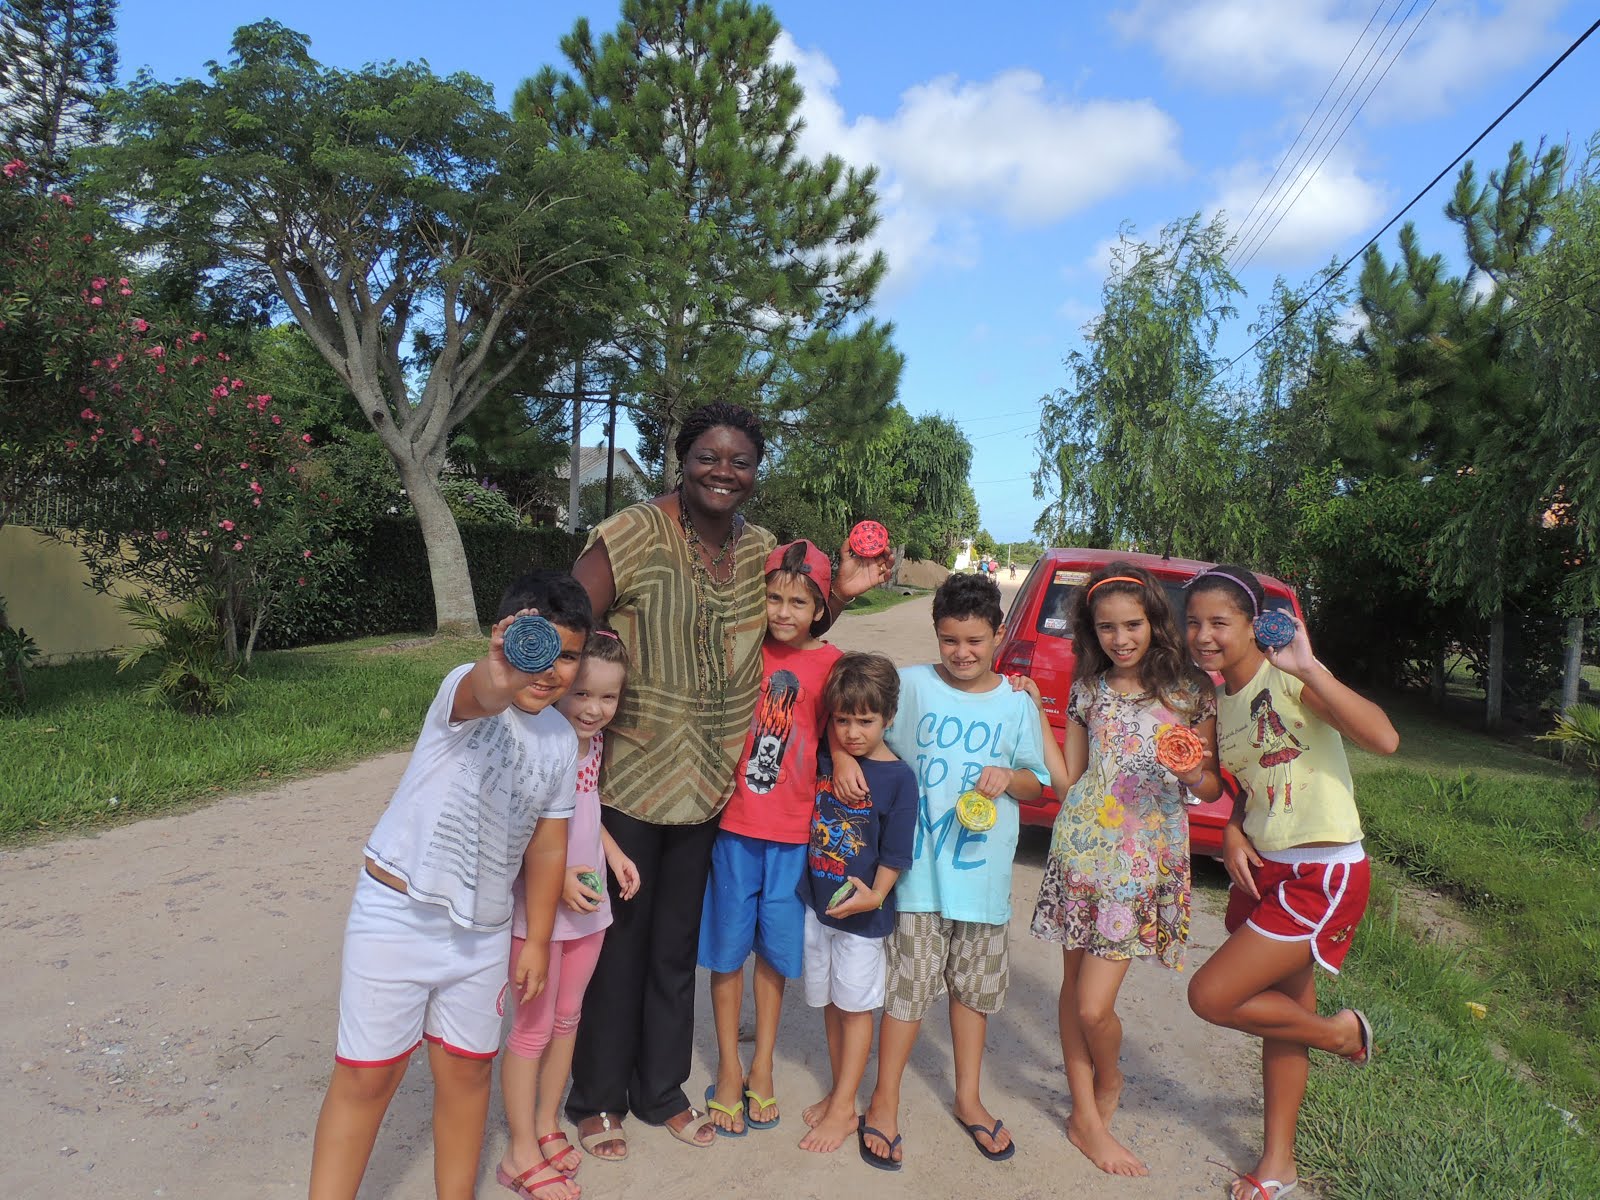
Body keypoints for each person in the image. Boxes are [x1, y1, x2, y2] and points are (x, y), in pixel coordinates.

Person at [563, 403, 891, 1161]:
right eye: (709, 457)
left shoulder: (761, 551)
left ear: (754, 474)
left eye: (740, 461)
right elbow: (575, 619)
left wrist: (837, 593)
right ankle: (599, 1099)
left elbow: (794, 630)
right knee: (620, 945)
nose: (723, 471)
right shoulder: (634, 533)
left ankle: (661, 1091)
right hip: (632, 777)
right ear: (682, 459)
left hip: (714, 785)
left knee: (679, 946)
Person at [307, 571, 593, 1200]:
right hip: (397, 915)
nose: (550, 670)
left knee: (467, 1074)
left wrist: (539, 939)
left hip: (481, 937)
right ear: (507, 639)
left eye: (568, 656)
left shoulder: (560, 742)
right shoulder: (463, 692)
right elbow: (487, 692)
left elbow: (548, 847)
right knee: (367, 1078)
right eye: (538, 648)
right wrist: (501, 670)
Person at [1184, 566, 1399, 1200]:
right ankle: (1278, 1163)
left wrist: (1310, 668)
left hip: (1320, 871)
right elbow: (1241, 788)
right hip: (1265, 868)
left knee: (1212, 995)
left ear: (1254, 626)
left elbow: (1384, 738)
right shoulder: (1219, 703)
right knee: (1283, 1018)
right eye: (1194, 622)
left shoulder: (1292, 680)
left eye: (1220, 622)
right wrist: (1229, 828)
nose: (1204, 635)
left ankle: (1342, 1035)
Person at [838, 573, 1049, 1168]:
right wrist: (836, 751)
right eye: (950, 639)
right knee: (906, 993)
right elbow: (852, 722)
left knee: (973, 994)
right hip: (918, 879)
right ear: (936, 632)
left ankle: (969, 1098)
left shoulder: (1015, 703)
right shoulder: (909, 687)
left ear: (999, 636)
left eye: (976, 641)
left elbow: (1039, 785)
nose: (962, 653)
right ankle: (884, 1099)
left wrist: (1011, 778)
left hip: (982, 884)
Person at [1021, 564, 1221, 1178]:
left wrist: (1193, 775)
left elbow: (1210, 783)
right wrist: (1036, 714)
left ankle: (1110, 1076)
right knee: (1072, 991)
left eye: (1131, 624)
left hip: (1141, 862)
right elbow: (1072, 783)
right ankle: (1085, 1113)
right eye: (1106, 628)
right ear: (1092, 631)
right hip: (1080, 852)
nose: (1120, 638)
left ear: (1154, 621)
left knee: (1092, 1008)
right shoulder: (1088, 690)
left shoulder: (1191, 696)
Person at [699, 541, 843, 1137]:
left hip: (793, 833)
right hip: (732, 827)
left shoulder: (833, 663)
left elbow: (848, 730)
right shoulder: (741, 651)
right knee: (728, 950)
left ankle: (763, 1067)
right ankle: (729, 1068)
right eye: (774, 597)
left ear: (819, 609)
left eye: (798, 602)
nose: (784, 612)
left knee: (775, 956)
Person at [497, 630, 640, 1200]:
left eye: (607, 698)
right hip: (539, 911)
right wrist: (554, 885)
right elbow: (523, 830)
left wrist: (613, 852)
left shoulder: (591, 745)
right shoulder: (539, 743)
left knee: (567, 1019)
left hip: (589, 906)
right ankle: (519, 1149)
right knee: (531, 1029)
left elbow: (587, 810)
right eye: (582, 695)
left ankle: (547, 1122)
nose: (593, 709)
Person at [794, 652, 917, 1159]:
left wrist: (878, 895)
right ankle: (839, 1093)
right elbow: (823, 732)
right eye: (842, 720)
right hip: (817, 905)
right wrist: (839, 751)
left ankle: (846, 1104)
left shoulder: (899, 778)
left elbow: (896, 853)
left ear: (889, 717)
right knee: (828, 1001)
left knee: (855, 1008)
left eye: (865, 721)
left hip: (863, 917)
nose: (851, 732)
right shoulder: (831, 755)